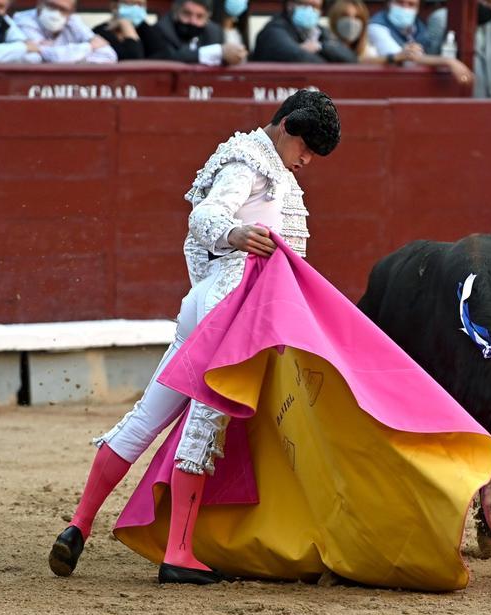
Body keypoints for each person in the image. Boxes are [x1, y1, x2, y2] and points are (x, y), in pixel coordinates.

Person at [49, 90, 341, 585]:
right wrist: (234, 236)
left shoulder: (265, 166)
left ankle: (78, 525)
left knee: (146, 417)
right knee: (203, 426)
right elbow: (205, 219)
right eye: (306, 148)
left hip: (205, 303)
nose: (307, 160)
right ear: (288, 127)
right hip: (230, 306)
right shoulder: (249, 162)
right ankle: (178, 552)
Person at [366, 0, 473, 86]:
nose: (405, 8)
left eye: (411, 4)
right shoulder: (376, 27)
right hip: (384, 85)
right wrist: (449, 61)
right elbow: (406, 58)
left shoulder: (417, 26)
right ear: (389, 3)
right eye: (400, 3)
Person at [141, 0, 246, 66]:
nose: (192, 21)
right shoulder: (159, 30)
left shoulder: (215, 32)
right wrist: (217, 51)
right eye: (187, 14)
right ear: (176, 12)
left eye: (199, 16)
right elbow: (171, 58)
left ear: (207, 18)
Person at [13, 0, 117, 63]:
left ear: (70, 13)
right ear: (40, 3)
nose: (55, 13)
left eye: (63, 9)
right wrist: (89, 47)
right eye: (51, 6)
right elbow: (35, 58)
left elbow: (109, 55)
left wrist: (48, 52)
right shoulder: (22, 20)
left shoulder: (73, 21)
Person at [252, 0, 356, 63]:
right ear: (290, 5)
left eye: (315, 6)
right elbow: (298, 57)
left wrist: (320, 47)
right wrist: (331, 61)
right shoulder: (274, 30)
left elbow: (350, 57)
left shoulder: (322, 32)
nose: (310, 9)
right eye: (305, 4)